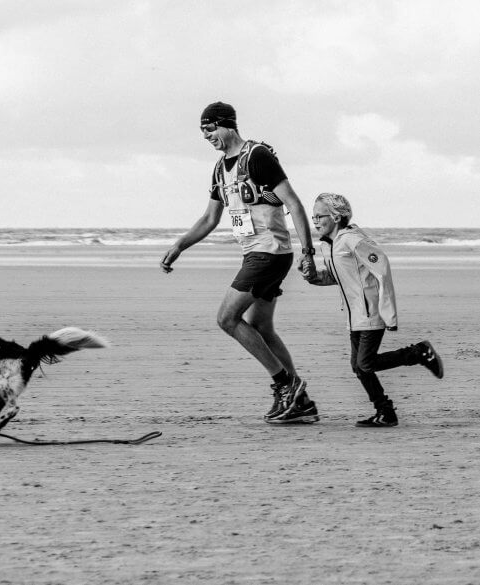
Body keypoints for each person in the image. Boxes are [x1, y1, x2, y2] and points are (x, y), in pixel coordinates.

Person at [160, 101, 319, 424]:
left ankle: (285, 384)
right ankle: (299, 401)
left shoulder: (258, 156)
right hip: (256, 253)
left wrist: (308, 252)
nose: (209, 139)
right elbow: (209, 218)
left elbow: (294, 203)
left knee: (227, 318)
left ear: (227, 125)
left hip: (269, 252)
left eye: (211, 130)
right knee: (261, 326)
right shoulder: (221, 168)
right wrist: (180, 245)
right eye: (204, 135)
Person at [300, 192, 444, 427]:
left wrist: (388, 311)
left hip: (370, 312)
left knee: (365, 364)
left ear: (336, 217)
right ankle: (385, 412)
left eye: (319, 216)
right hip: (353, 315)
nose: (315, 221)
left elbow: (382, 266)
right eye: (313, 216)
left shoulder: (352, 240)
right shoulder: (330, 244)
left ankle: (419, 353)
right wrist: (314, 277)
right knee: (359, 367)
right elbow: (340, 278)